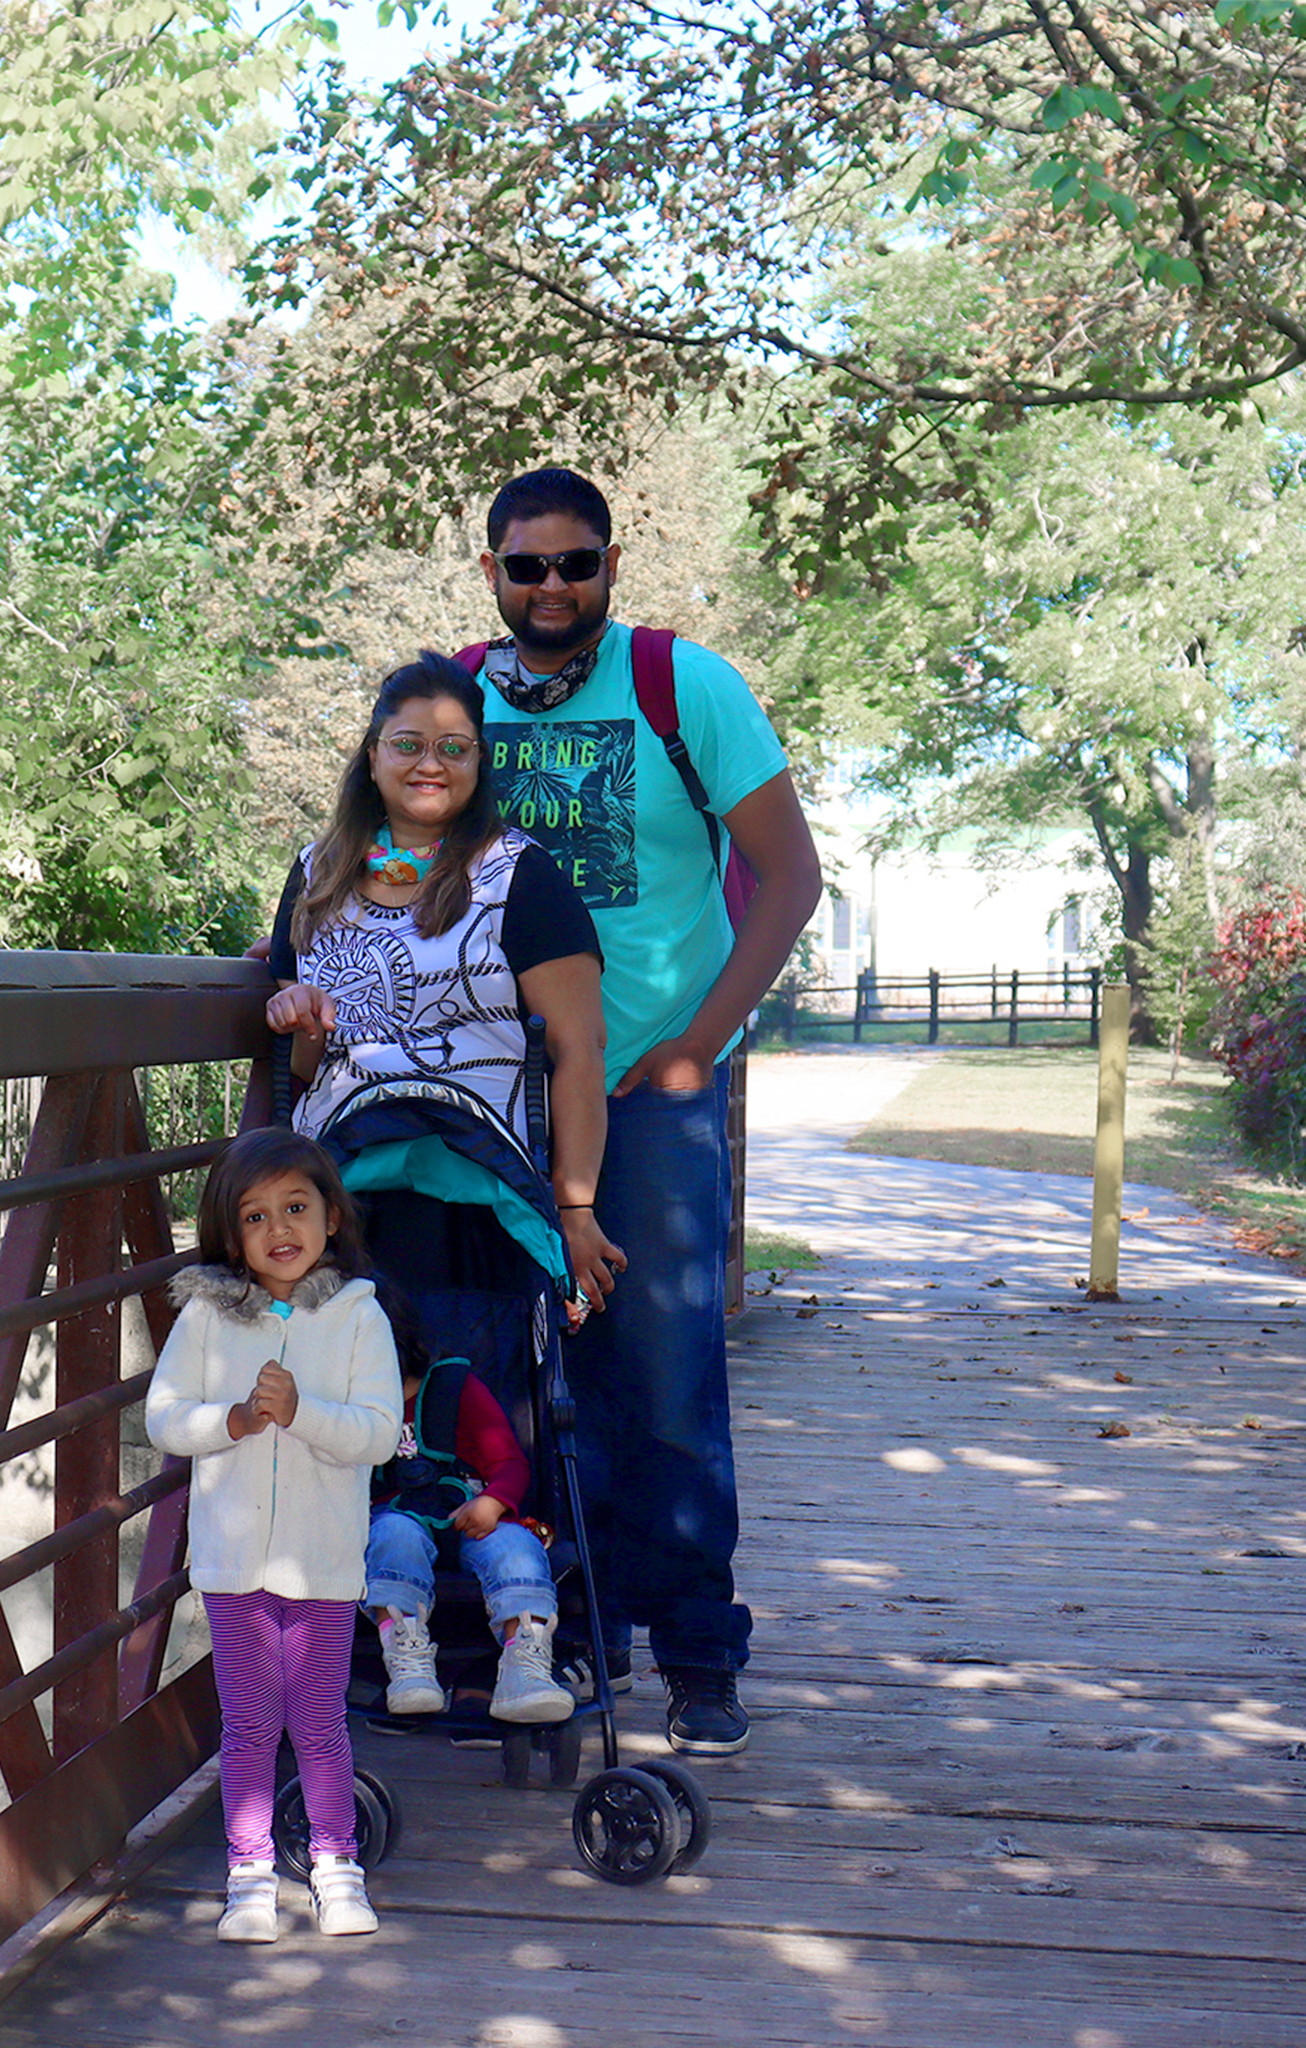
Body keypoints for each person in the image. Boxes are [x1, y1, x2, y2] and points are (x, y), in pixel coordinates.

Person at [462, 466, 823, 1757]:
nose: (551, 586)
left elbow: (790, 876)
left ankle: (695, 1653)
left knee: (661, 1377)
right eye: (526, 566)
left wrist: (696, 1047)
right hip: (488, 1100)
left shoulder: (687, 687)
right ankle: (548, 1636)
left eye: (576, 563)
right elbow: (387, 860)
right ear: (492, 573)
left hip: (645, 1101)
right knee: (498, 1374)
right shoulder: (454, 697)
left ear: (612, 565)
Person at [258, 654, 621, 1728]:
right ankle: (363, 1625)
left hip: (479, 1188)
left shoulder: (520, 875)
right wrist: (303, 1024)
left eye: (454, 745)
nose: (429, 762)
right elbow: (304, 1065)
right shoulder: (320, 871)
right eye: (407, 741)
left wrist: (577, 1207)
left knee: (492, 1396)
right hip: (346, 1192)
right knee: (342, 1399)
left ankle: (521, 1629)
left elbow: (579, 1052)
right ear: (371, 753)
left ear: (479, 762)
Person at [143, 1129, 399, 1944]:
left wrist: (302, 1415)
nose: (279, 1229)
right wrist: (236, 1419)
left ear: (331, 1215)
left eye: (296, 1207)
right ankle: (248, 1875)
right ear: (231, 1236)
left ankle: (336, 1866)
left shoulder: (361, 1318)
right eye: (255, 1216)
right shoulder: (208, 1319)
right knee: (249, 1723)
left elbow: (378, 1432)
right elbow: (164, 1417)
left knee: (318, 1720)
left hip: (322, 1563)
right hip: (231, 1564)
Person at [362, 1345, 567, 1722]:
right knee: (391, 1536)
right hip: (397, 1514)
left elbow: (508, 1462)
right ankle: (407, 1660)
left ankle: (525, 1663)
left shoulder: (456, 1388)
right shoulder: (350, 1404)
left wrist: (494, 1501)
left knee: (517, 1548)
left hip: (476, 1510)